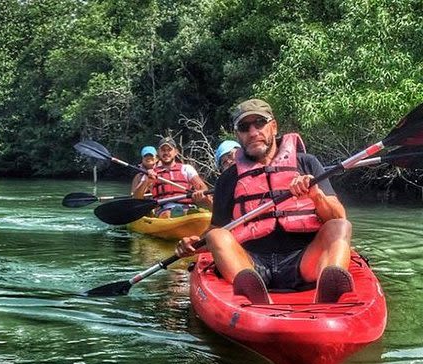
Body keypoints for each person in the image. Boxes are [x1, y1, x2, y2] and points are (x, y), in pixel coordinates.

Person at [176, 99, 352, 304]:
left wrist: (315, 195)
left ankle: (329, 292)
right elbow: (217, 230)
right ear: (237, 135)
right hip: (251, 265)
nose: (252, 132)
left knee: (340, 226)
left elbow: (338, 217)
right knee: (216, 236)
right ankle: (253, 293)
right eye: (244, 127)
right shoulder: (229, 178)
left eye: (259, 123)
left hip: (305, 260)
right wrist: (194, 243)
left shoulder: (307, 163)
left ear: (274, 126)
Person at [133, 136, 211, 216]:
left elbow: (203, 187)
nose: (166, 153)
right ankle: (183, 216)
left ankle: (189, 215)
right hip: (163, 209)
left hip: (187, 207)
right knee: (167, 214)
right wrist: (146, 180)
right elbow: (136, 198)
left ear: (176, 152)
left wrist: (199, 193)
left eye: (169, 150)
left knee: (205, 204)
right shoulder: (152, 173)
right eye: (163, 150)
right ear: (158, 152)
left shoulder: (186, 168)